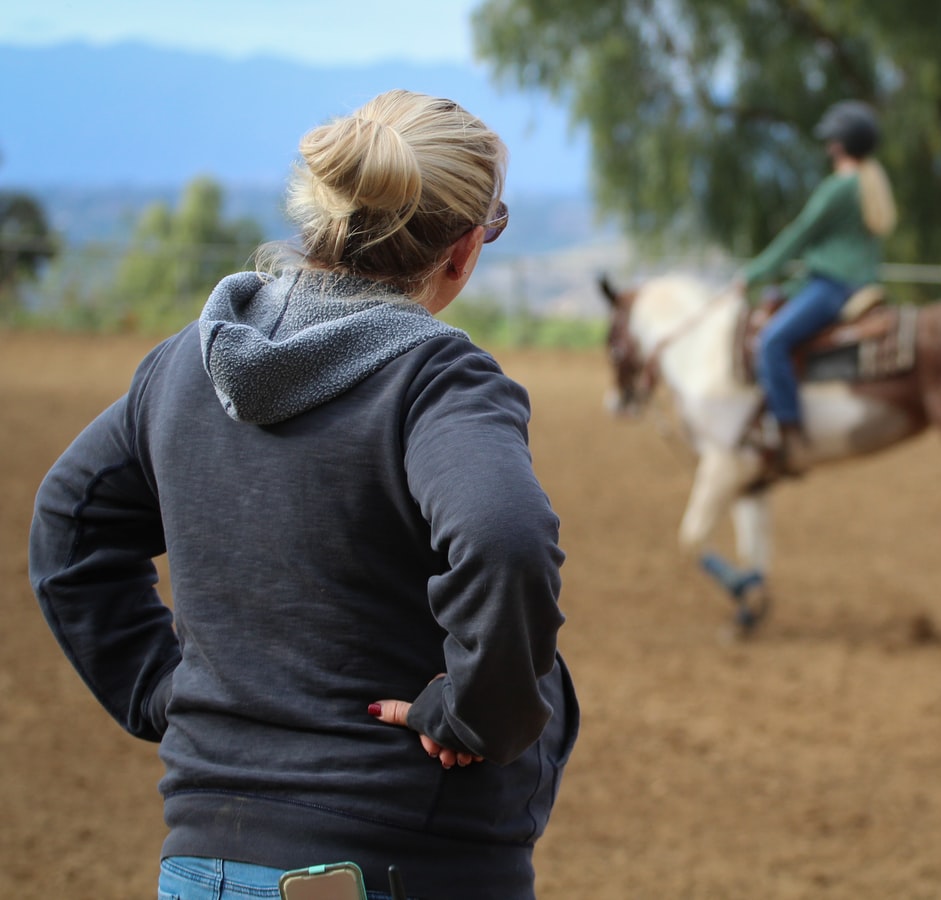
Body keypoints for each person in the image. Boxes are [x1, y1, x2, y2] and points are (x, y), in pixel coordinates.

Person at [28, 90, 578, 900]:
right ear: (463, 250)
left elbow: (68, 526)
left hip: (199, 865)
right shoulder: (436, 383)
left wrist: (159, 686)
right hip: (408, 861)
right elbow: (504, 537)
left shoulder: (184, 367)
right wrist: (481, 714)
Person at [735, 100, 897, 476]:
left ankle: (787, 430)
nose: (827, 147)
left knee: (772, 341)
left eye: (831, 141)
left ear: (840, 144)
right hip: (850, 280)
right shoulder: (870, 183)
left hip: (834, 285)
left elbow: (800, 234)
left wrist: (754, 273)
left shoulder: (839, 187)